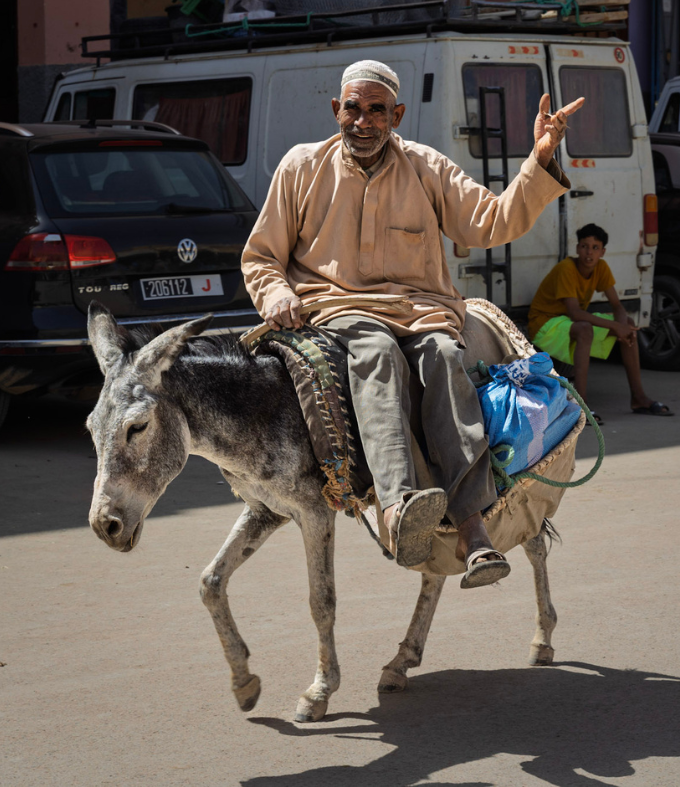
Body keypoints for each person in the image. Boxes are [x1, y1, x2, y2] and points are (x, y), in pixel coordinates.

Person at [241, 59, 582, 583]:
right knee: (376, 354)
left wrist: (537, 159)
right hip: (338, 308)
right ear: (337, 110)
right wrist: (279, 294)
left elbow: (491, 221)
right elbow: (261, 257)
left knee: (446, 357)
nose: (362, 121)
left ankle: (474, 530)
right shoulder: (302, 166)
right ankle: (397, 508)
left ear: (396, 115)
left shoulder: (427, 167)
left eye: (376, 110)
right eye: (352, 108)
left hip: (422, 309)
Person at [527, 223, 672, 421]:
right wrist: (615, 326)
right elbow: (576, 313)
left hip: (567, 322)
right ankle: (580, 404)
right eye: (585, 246)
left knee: (628, 324)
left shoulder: (601, 268)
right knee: (585, 328)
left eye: (595, 248)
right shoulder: (566, 269)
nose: (589, 253)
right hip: (544, 324)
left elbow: (617, 306)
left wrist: (623, 326)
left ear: (602, 252)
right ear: (578, 249)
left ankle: (639, 398)